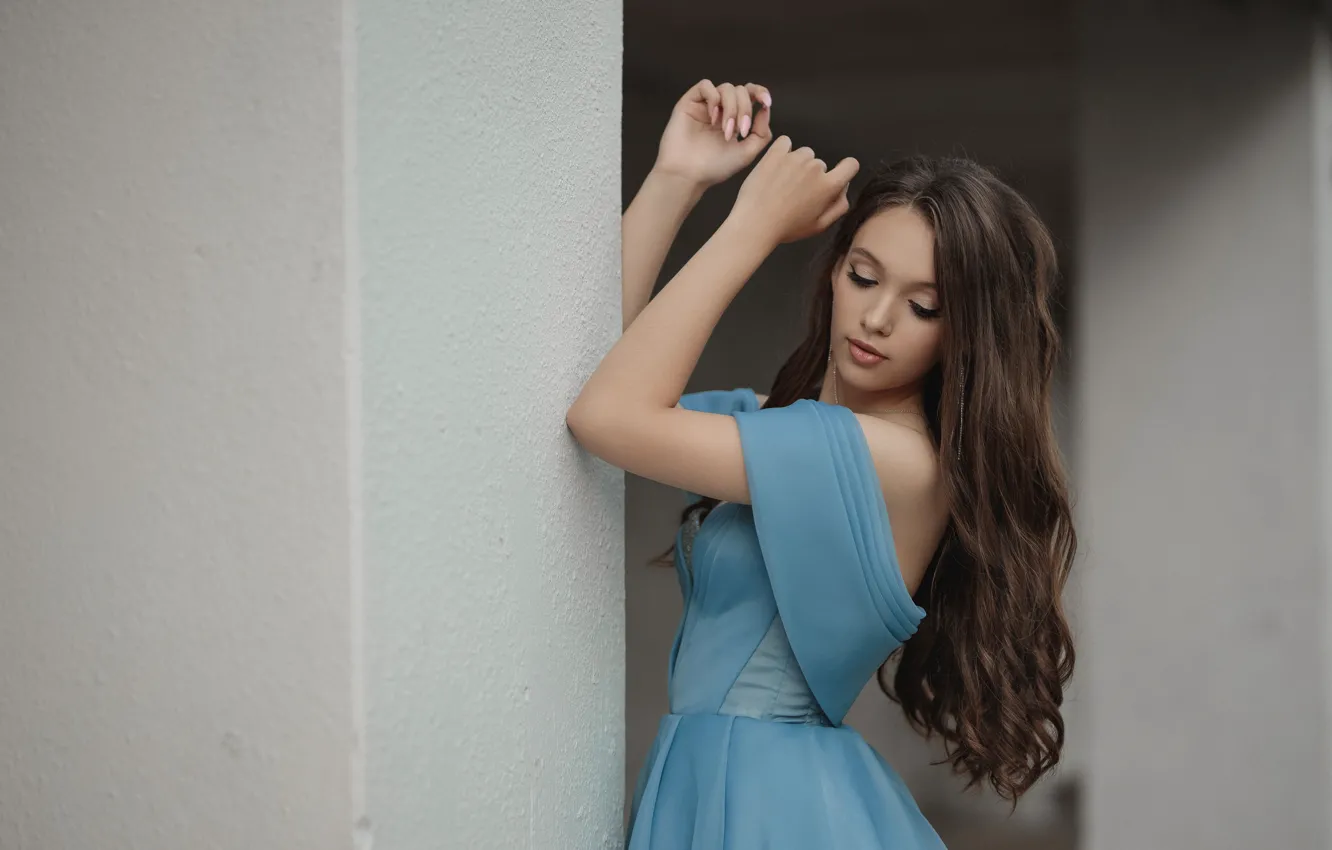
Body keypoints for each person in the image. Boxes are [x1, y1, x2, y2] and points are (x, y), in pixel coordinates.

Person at [567, 79, 1077, 849]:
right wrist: (677, 178)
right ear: (834, 271)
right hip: (727, 783)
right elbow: (600, 383)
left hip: (772, 802)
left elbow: (606, 418)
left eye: (925, 306)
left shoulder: (887, 459)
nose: (877, 317)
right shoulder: (784, 430)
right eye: (863, 276)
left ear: (966, 334)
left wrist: (750, 227)